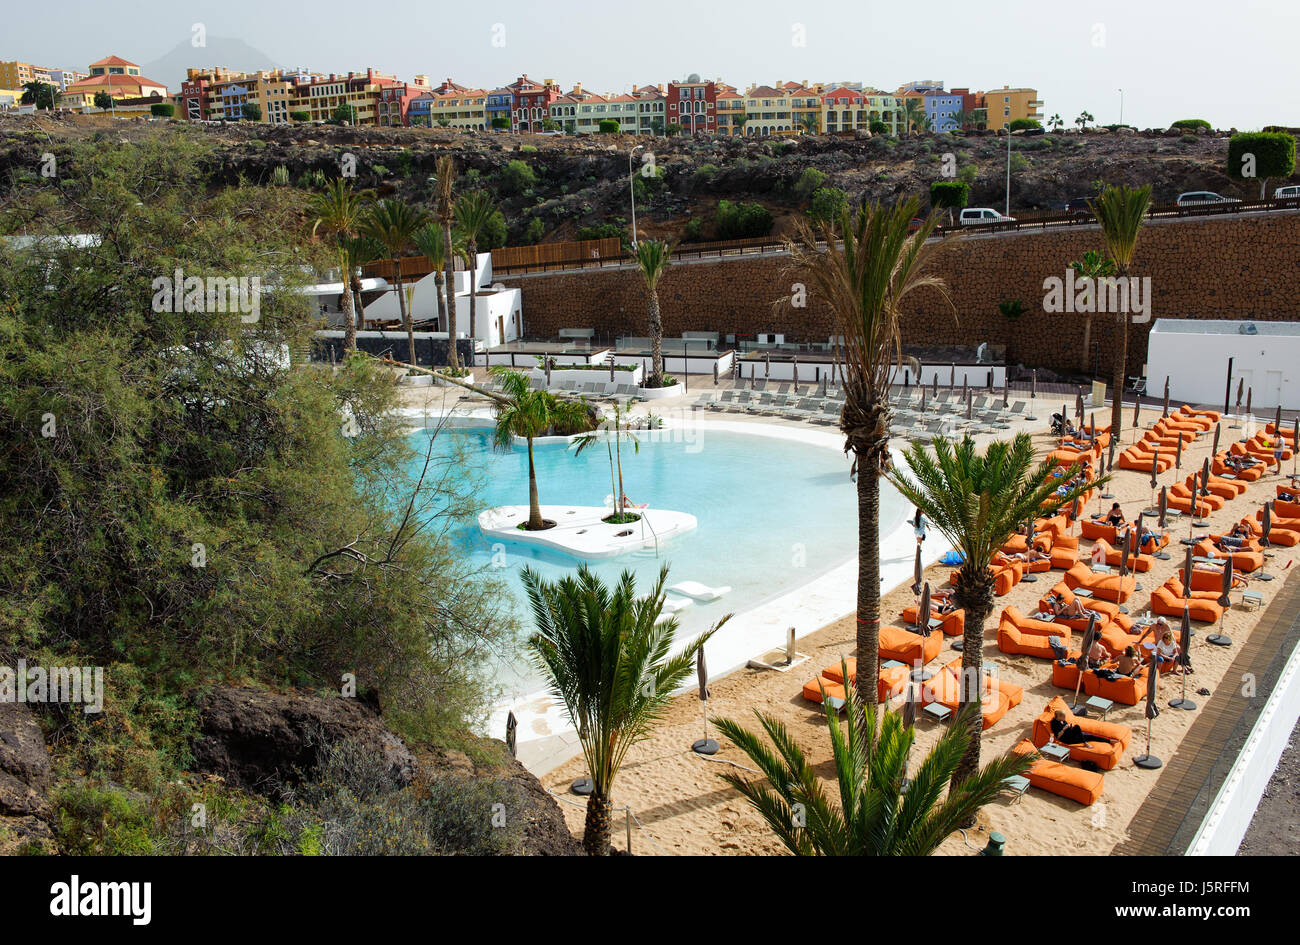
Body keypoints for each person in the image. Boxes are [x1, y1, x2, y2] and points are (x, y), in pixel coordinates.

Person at [1049, 708, 1113, 747]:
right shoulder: (1054, 723)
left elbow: (1067, 727)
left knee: (1090, 736)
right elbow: (1058, 736)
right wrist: (1064, 729)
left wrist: (1070, 726)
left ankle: (1109, 741)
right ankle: (1085, 743)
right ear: (1059, 717)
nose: (1065, 718)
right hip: (1066, 739)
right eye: (1064, 717)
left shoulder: (1062, 720)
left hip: (1070, 734)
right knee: (1080, 730)